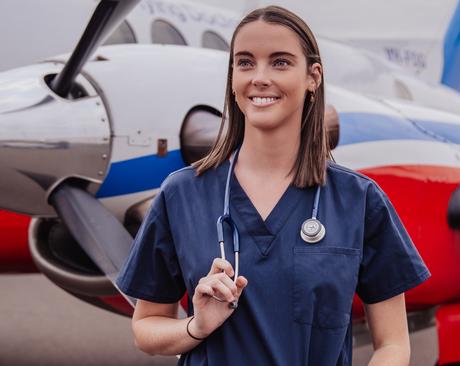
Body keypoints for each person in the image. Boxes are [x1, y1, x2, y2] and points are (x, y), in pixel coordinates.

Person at [116, 5, 430, 365]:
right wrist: (196, 326)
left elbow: (392, 344)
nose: (259, 77)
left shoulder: (358, 200)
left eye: (280, 62)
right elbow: (147, 328)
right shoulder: (182, 193)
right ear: (232, 77)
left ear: (313, 76)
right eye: (245, 63)